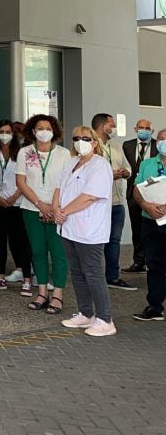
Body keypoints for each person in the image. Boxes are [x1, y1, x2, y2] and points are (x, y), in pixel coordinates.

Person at [54, 126, 116, 336]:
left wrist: (63, 211)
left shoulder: (100, 165)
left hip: (89, 228)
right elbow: (58, 187)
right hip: (68, 226)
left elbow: (89, 196)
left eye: (86, 138)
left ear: (95, 142)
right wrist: (56, 209)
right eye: (76, 138)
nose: (81, 141)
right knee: (78, 273)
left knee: (93, 273)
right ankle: (86, 313)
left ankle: (105, 319)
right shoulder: (72, 162)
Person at [15, 114, 71, 315]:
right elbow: (21, 182)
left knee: (58, 253)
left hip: (57, 209)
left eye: (48, 127)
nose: (44, 131)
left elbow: (66, 183)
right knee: (38, 251)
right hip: (31, 208)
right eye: (40, 127)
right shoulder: (25, 152)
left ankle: (57, 294)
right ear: (33, 131)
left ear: (54, 131)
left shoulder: (64, 154)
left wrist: (53, 207)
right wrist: (40, 204)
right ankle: (41, 292)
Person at [90, 113, 136, 291]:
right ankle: (93, 277)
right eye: (112, 125)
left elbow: (128, 167)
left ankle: (113, 277)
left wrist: (126, 172)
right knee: (95, 242)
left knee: (114, 241)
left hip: (117, 202)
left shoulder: (116, 146)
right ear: (103, 126)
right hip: (98, 203)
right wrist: (111, 174)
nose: (114, 128)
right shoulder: (91, 146)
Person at [0, 120, 32, 294]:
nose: (4, 135)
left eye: (8, 131)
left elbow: (26, 178)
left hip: (17, 202)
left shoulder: (22, 153)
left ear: (13, 134)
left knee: (20, 241)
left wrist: (14, 197)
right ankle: (0, 277)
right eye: (1, 131)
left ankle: (27, 279)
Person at [132, 128, 166, 322]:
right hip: (150, 220)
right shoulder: (147, 164)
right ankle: (154, 306)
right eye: (160, 139)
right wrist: (145, 205)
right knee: (154, 265)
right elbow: (137, 189)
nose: (163, 142)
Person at [122, 118, 156, 274]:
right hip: (134, 194)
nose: (144, 130)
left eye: (147, 128)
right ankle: (139, 261)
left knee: (155, 230)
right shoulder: (127, 145)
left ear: (152, 130)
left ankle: (154, 261)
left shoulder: (158, 145)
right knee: (137, 229)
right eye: (141, 127)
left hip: (155, 194)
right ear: (135, 129)